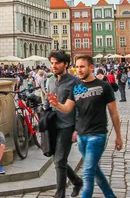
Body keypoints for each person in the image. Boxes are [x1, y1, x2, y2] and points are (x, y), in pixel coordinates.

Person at [48, 54, 123, 198]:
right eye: (77, 67)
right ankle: (110, 195)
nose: (79, 70)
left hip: (97, 135)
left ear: (91, 67)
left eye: (82, 67)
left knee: (87, 173)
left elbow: (114, 113)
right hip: (82, 136)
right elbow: (69, 108)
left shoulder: (103, 86)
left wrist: (118, 136)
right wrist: (56, 104)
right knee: (95, 171)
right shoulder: (77, 87)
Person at [45, 51, 83, 198]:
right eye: (52, 63)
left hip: (67, 126)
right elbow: (48, 102)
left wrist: (77, 128)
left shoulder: (76, 82)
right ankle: (77, 181)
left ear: (65, 64)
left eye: (57, 63)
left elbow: (81, 107)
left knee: (60, 160)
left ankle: (60, 195)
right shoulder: (50, 81)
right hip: (53, 124)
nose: (54, 66)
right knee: (57, 159)